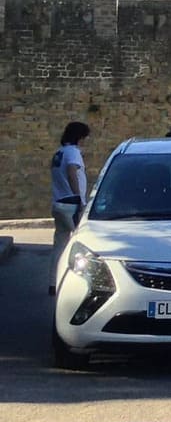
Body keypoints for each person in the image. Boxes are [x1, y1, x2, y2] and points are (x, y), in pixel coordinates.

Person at [49, 121, 90, 295]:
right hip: (71, 204)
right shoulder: (73, 153)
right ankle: (81, 283)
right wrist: (79, 198)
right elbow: (72, 171)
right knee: (85, 244)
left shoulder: (59, 152)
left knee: (60, 244)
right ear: (79, 137)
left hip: (58, 202)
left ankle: (54, 281)